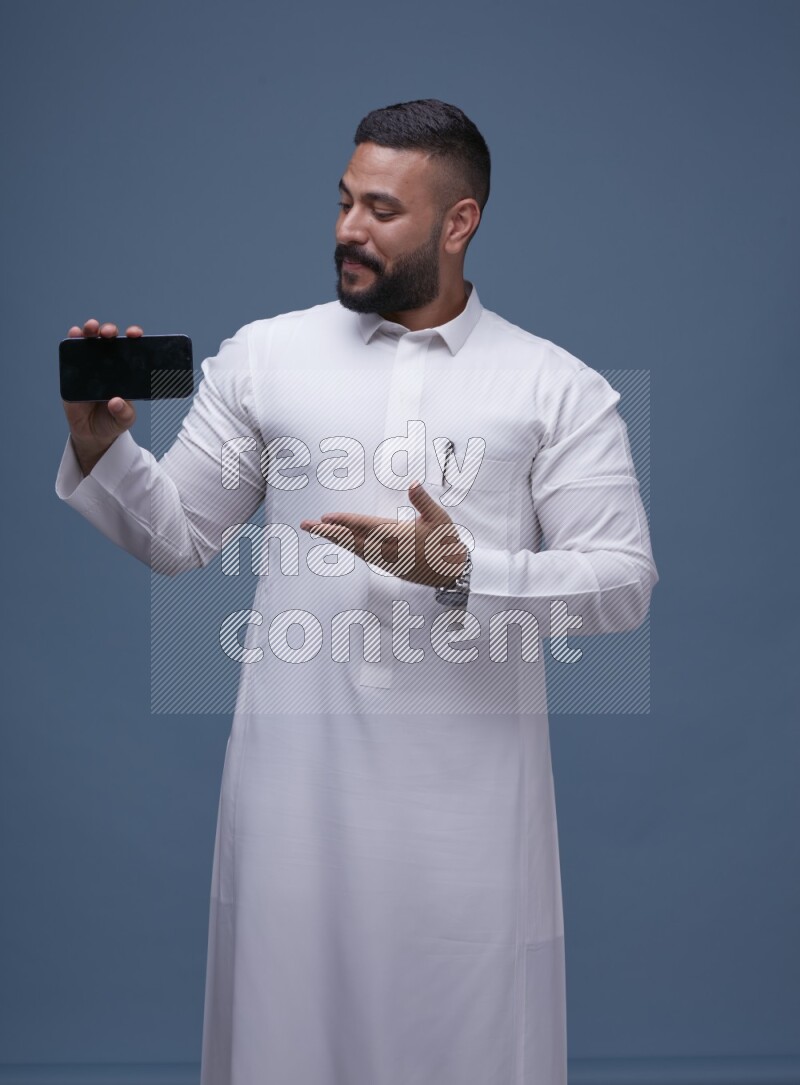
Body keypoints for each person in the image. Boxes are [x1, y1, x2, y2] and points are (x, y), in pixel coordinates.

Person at [56, 99, 657, 1085]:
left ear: (458, 222)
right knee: (283, 1043)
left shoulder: (554, 387)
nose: (348, 228)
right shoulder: (265, 357)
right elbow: (179, 536)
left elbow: (621, 583)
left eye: (381, 209)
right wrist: (100, 447)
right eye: (343, 201)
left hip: (468, 819)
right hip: (292, 806)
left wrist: (461, 570)